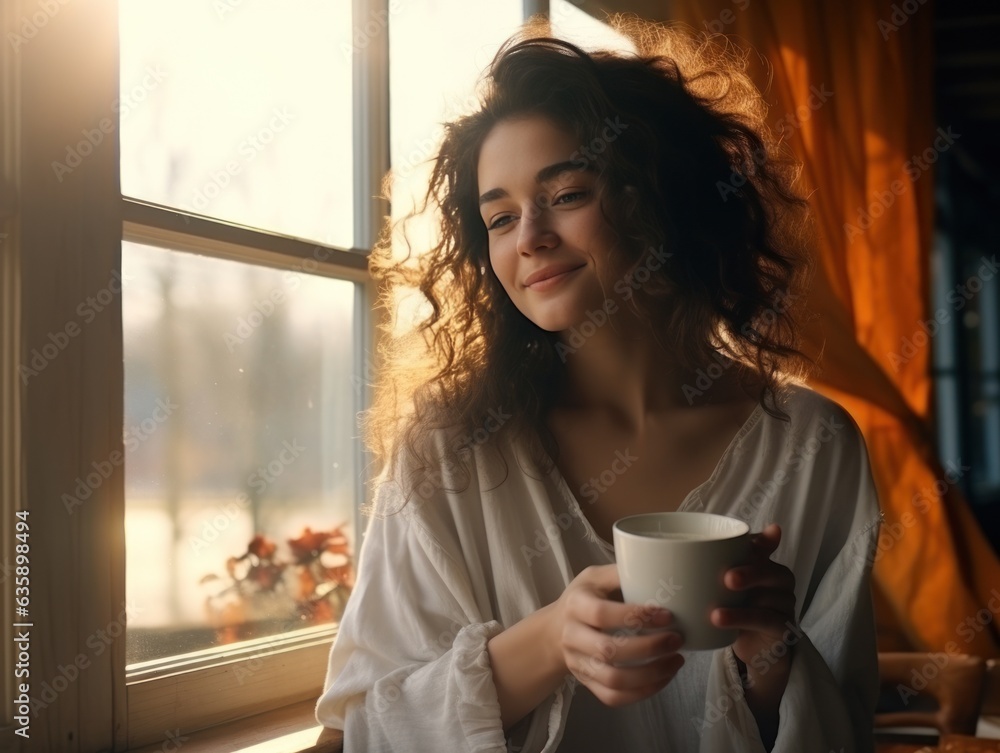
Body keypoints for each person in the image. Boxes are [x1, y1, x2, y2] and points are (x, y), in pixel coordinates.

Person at [316, 16, 882, 753]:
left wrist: (769, 656)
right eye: (500, 216)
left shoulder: (813, 445)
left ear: (665, 196)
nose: (530, 238)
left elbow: (847, 728)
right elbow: (364, 727)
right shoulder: (450, 447)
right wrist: (550, 640)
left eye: (569, 192)